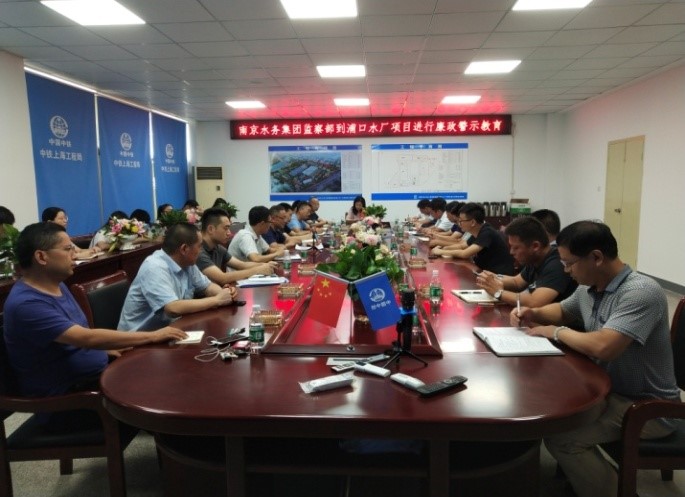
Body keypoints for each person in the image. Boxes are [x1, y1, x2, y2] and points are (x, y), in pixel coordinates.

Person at [512, 220, 680, 497]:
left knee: (563, 437)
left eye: (569, 264)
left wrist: (556, 331)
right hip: (608, 390)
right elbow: (563, 311)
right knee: (550, 405)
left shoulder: (640, 292)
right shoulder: (589, 287)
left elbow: (604, 347)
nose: (566, 270)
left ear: (597, 257)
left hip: (647, 406)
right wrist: (534, 313)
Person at [2, 222, 186, 431]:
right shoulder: (27, 304)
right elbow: (85, 338)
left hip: (91, 378)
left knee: (163, 370)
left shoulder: (57, 284)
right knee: (160, 388)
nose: (75, 253)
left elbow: (76, 336)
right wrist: (152, 336)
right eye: (68, 249)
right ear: (41, 257)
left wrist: (106, 349)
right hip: (68, 401)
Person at [118, 222, 238, 331]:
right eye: (199, 246)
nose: (201, 250)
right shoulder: (154, 267)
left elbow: (207, 286)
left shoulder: (187, 263)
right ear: (184, 249)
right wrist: (217, 300)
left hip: (169, 330)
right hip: (137, 340)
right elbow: (173, 308)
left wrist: (225, 294)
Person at [476, 216, 576, 307]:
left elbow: (535, 302)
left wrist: (499, 292)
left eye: (516, 248)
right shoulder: (534, 258)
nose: (511, 252)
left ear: (535, 246)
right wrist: (491, 278)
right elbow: (516, 282)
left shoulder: (557, 263)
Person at [196, 208, 275, 285]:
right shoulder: (198, 251)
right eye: (226, 228)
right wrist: (257, 270)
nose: (229, 233)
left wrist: (265, 265)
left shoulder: (218, 248)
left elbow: (242, 265)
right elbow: (222, 278)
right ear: (210, 229)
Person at [432, 203, 515, 275]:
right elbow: (462, 246)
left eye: (461, 221)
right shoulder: (477, 231)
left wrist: (440, 251)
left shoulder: (487, 232)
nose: (459, 224)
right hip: (484, 270)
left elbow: (465, 253)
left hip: (498, 275)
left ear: (472, 222)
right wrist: (444, 248)